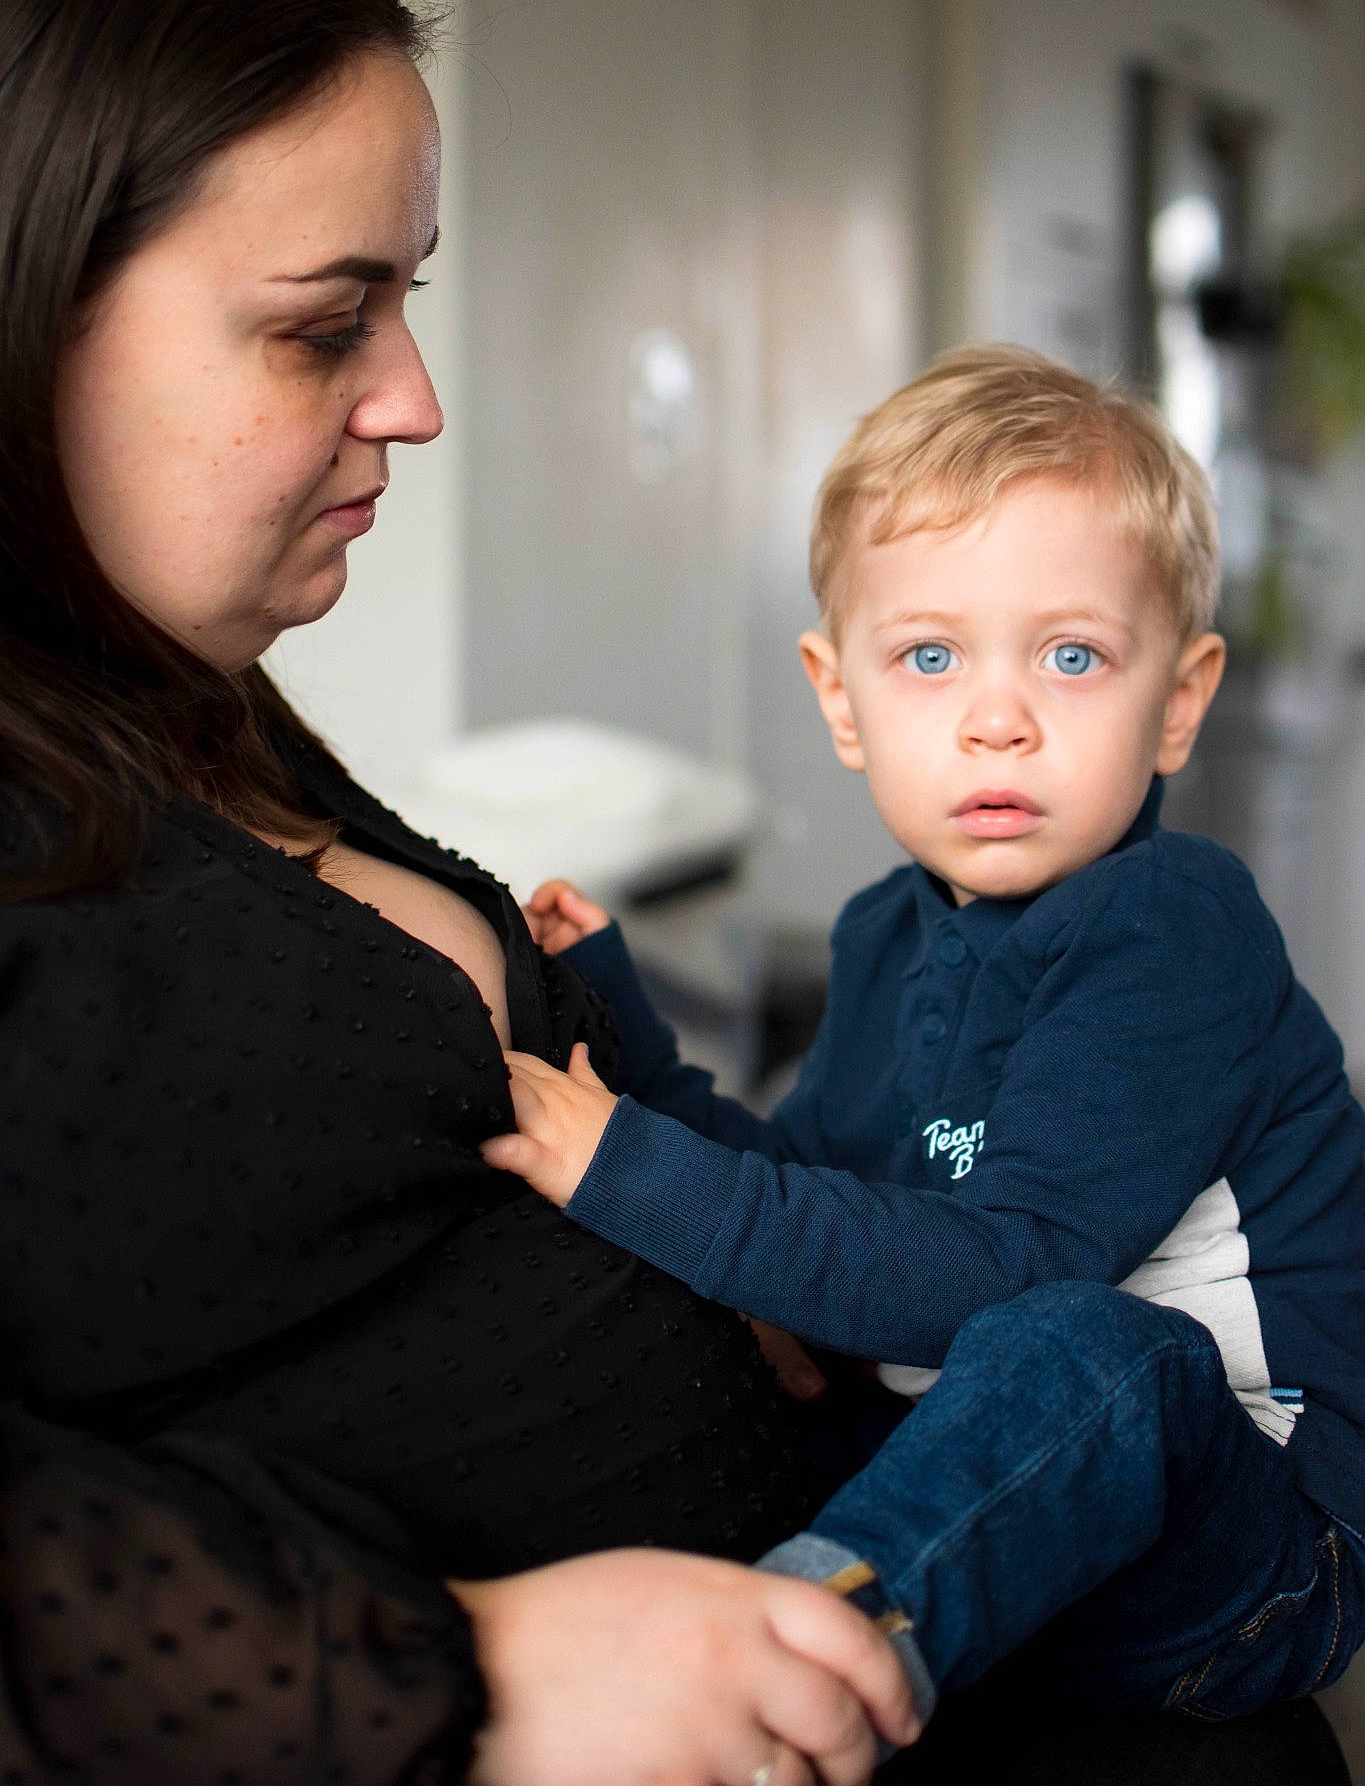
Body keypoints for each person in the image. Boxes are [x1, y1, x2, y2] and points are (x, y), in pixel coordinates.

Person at [0, 0, 918, 1783]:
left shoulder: (194, 703)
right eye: (323, 323)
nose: (410, 397)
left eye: (401, 302)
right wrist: (466, 1673)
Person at [488, 349, 1365, 1719]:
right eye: (929, 656)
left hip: (1243, 1557)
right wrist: (620, 1035)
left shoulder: (1170, 924)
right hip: (990, 1502)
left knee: (1091, 1342)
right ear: (842, 698)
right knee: (755, 1335)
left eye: (1071, 656)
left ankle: (803, 1662)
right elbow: (808, 1194)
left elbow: (1009, 1268)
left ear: (1177, 700)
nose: (998, 718)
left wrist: (629, 1172)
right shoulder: (881, 934)